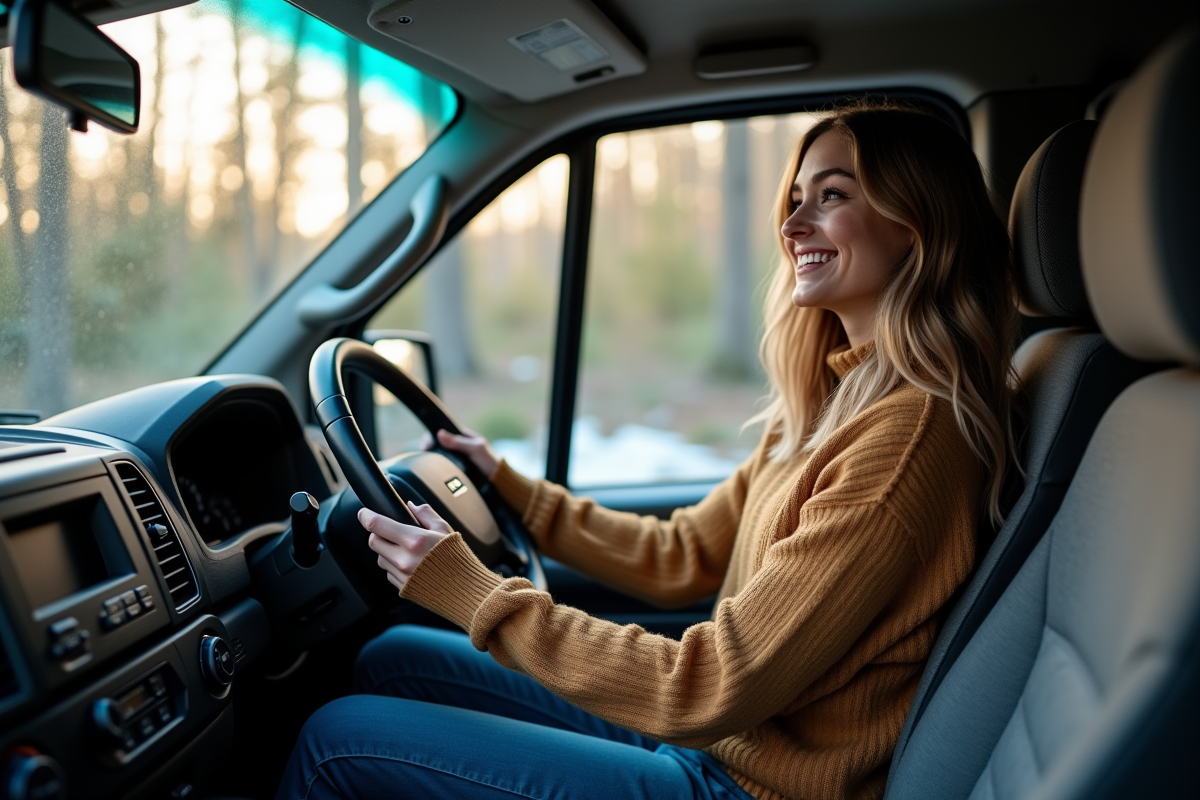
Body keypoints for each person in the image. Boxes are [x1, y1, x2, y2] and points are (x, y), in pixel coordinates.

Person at [277, 100, 1020, 800]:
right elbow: (683, 554)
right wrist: (515, 491)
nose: (792, 224)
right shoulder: (832, 401)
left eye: (831, 196)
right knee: (392, 658)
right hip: (719, 749)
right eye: (794, 198)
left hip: (750, 787)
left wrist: (469, 589)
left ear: (917, 225)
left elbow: (709, 687)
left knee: (335, 740)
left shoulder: (906, 441)